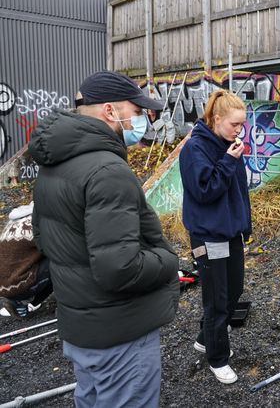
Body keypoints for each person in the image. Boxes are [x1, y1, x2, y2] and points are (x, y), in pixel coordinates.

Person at [29, 71, 179, 407]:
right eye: (137, 111)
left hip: (83, 329)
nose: (143, 120)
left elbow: (44, 238)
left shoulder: (55, 163)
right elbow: (119, 268)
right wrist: (168, 260)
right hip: (120, 332)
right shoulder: (107, 171)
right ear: (110, 112)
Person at [179, 90, 252, 385]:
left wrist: (244, 224)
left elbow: (235, 192)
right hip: (208, 235)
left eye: (242, 125)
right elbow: (204, 191)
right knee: (217, 299)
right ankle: (217, 357)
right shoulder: (195, 149)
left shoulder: (227, 144)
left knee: (234, 290)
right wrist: (228, 162)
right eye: (234, 124)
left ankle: (204, 336)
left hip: (230, 231)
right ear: (216, 118)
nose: (239, 130)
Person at [0, 203, 52, 319]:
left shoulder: (13, 222)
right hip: (17, 285)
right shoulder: (39, 222)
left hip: (3, 285)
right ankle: (25, 302)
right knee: (59, 261)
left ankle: (18, 300)